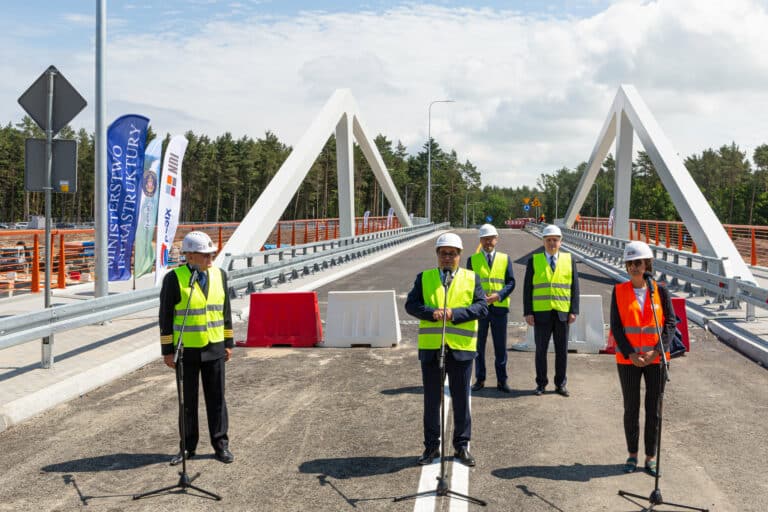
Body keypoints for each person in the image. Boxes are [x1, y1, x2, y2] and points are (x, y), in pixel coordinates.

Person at [405, 232, 487, 467]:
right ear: (437, 255)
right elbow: (411, 305)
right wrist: (431, 313)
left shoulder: (472, 279)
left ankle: (461, 446)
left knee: (462, 400)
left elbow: (481, 307)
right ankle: (431, 447)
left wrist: (454, 314)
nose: (447, 258)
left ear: (460, 256)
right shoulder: (425, 277)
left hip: (461, 349)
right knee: (432, 401)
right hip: (432, 349)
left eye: (452, 254)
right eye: (443, 254)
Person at [159, 230, 235, 465]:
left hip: (214, 347)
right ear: (190, 256)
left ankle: (220, 445)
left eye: (211, 254)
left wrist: (228, 342)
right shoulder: (174, 279)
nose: (210, 259)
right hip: (186, 351)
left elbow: (225, 311)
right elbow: (165, 316)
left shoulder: (219, 275)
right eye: (205, 255)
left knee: (217, 400)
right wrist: (168, 351)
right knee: (187, 402)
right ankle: (188, 448)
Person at [611, 241, 674, 477]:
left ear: (647, 264)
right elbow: (617, 327)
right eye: (630, 264)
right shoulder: (619, 291)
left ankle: (650, 457)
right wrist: (631, 353)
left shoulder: (661, 290)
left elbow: (670, 323)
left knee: (653, 409)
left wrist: (656, 351)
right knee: (631, 408)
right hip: (628, 360)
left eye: (638, 263)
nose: (634, 268)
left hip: (656, 359)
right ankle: (632, 455)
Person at [523, 224, 579, 397]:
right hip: (541, 313)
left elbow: (574, 287)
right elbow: (528, 288)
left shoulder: (569, 260)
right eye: (548, 240)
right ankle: (541, 384)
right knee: (541, 350)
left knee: (562, 351)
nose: (552, 243)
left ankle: (560, 384)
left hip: (562, 313)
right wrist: (528, 312)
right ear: (543, 241)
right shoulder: (534, 260)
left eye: (555, 240)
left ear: (560, 242)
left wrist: (573, 310)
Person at [467, 224, 516, 393]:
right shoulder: (472, 260)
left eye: (491, 238)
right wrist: (481, 299)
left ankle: (502, 381)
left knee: (500, 348)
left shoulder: (505, 258)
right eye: (485, 239)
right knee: (478, 347)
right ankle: (480, 379)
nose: (488, 242)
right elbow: (469, 283)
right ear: (480, 240)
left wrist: (499, 295)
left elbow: (511, 282)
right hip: (480, 310)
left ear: (496, 239)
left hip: (500, 309)